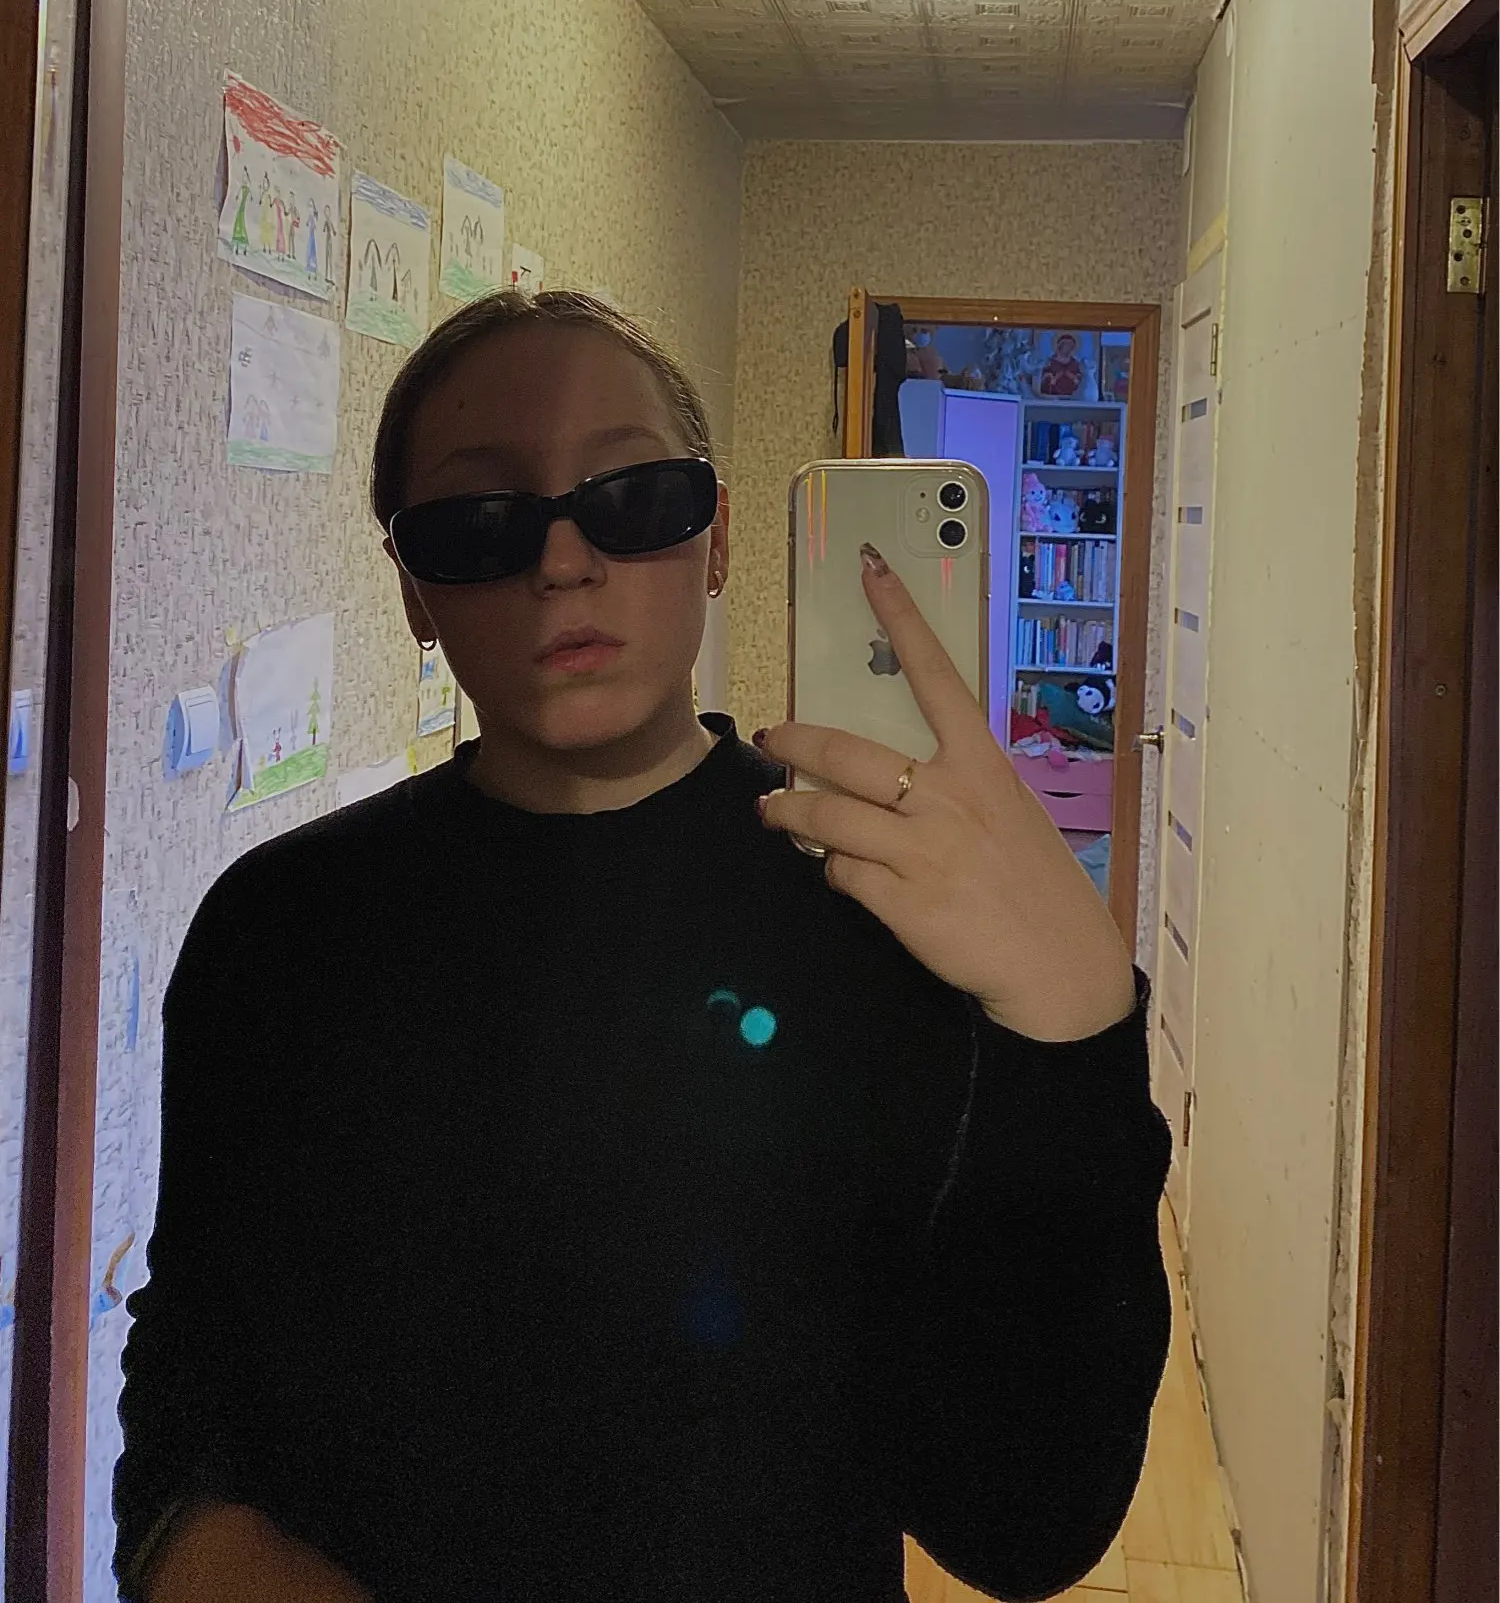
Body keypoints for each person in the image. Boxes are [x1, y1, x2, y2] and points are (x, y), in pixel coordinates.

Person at [113, 290, 1171, 1603]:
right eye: (480, 520)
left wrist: (1075, 1024)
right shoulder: (279, 929)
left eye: (633, 498)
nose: (563, 562)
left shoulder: (880, 910)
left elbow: (1023, 1518)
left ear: (717, 541)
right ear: (413, 592)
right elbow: (191, 1387)